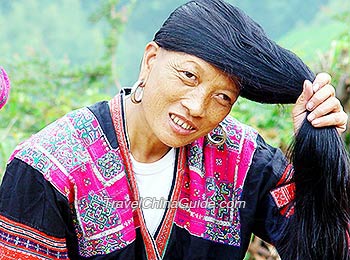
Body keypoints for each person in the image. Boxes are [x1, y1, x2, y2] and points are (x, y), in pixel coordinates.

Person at [0, 1, 348, 259]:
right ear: (150, 60)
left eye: (222, 97)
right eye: (188, 76)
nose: (197, 107)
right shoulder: (48, 169)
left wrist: (315, 146)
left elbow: (325, 245)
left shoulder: (241, 160)